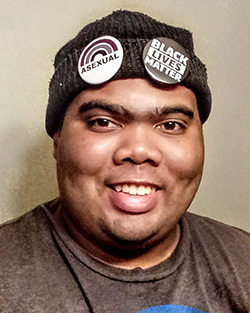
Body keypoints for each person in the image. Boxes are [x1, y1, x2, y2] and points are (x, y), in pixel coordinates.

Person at [0, 10, 249, 313]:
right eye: (103, 122)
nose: (140, 150)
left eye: (170, 125)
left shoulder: (243, 261)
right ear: (58, 138)